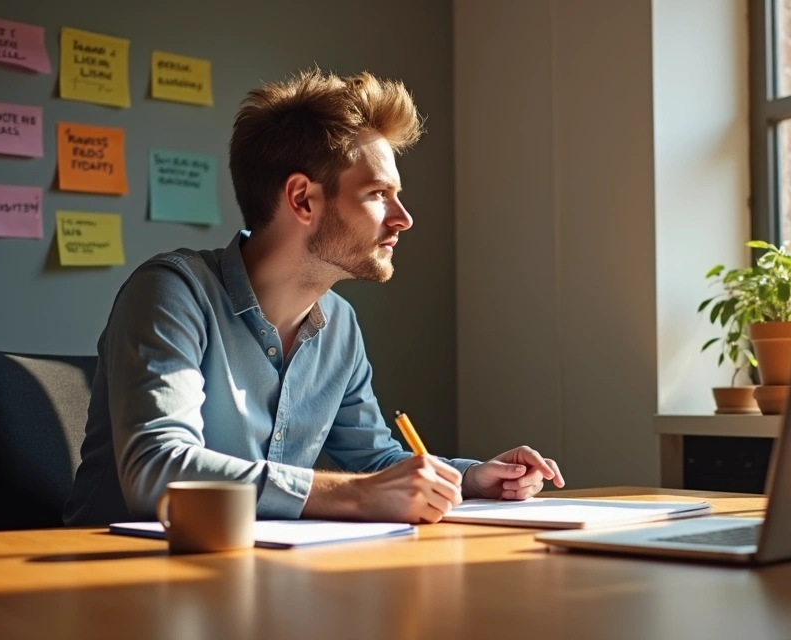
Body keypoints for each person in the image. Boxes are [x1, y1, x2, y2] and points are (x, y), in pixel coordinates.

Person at [63, 68, 565, 526]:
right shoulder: (172, 292)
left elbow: (374, 464)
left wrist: (470, 478)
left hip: (252, 580)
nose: (403, 218)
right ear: (302, 198)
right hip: (117, 582)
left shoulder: (339, 324)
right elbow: (158, 471)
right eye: (377, 194)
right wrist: (358, 496)